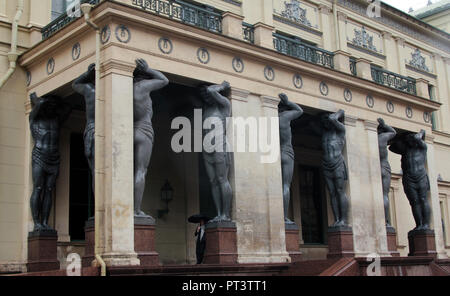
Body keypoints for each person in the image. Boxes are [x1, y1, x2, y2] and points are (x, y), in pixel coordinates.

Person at [29, 93, 71, 231]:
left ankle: (45, 222)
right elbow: (38, 104)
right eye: (49, 105)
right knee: (38, 188)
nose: (51, 108)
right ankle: (36, 223)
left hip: (54, 157)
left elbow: (68, 108)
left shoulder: (56, 121)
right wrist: (38, 100)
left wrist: (56, 101)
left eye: (54, 106)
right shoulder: (34, 119)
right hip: (39, 156)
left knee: (49, 190)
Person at [133, 58, 169, 217]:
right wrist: (148, 69)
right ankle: (136, 210)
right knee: (141, 171)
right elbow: (164, 80)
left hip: (129, 130)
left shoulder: (126, 87)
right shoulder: (143, 86)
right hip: (144, 130)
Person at [200, 81, 233, 223]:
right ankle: (219, 213)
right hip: (207, 149)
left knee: (222, 179)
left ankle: (226, 214)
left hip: (221, 147)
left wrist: (222, 87)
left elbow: (212, 91)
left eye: (207, 94)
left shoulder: (224, 106)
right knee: (213, 181)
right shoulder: (205, 109)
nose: (206, 96)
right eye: (203, 95)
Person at [311, 110, 349, 227]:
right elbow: (311, 124)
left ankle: (343, 220)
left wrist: (334, 116)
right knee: (332, 192)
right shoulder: (324, 133)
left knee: (339, 191)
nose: (325, 122)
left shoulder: (340, 131)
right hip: (326, 164)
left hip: (337, 163)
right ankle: (337, 219)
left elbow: (341, 112)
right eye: (323, 121)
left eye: (326, 120)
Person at [390, 130, 431, 230]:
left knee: (423, 199)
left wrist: (419, 134)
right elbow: (391, 147)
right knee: (414, 201)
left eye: (411, 138)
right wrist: (401, 136)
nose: (410, 141)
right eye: (408, 139)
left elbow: (418, 137)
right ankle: (419, 224)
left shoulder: (422, 148)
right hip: (409, 178)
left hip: (420, 176)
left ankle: (426, 224)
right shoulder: (405, 150)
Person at [278, 93, 303, 224]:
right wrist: (288, 102)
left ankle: (275, 214)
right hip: (286, 152)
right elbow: (300, 110)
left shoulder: (269, 117)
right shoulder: (285, 117)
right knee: (285, 185)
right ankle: (284, 216)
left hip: (272, 152)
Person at [72, 63, 96, 195]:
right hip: (103, 130)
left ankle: (99, 206)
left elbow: (75, 84)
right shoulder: (95, 90)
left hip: (91, 131)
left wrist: (86, 74)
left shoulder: (88, 90)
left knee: (95, 171)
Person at [377, 118, 396, 227]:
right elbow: (393, 132)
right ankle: (385, 221)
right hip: (384, 167)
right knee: (384, 194)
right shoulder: (383, 138)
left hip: (372, 168)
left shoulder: (370, 138)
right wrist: (384, 125)